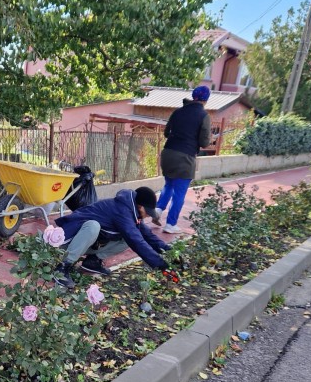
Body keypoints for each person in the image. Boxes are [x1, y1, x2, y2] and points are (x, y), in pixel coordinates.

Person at [52, 187, 172, 289]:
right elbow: (137, 242)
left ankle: (92, 262)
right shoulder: (122, 211)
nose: (148, 216)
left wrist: (169, 252)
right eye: (148, 212)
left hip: (86, 244)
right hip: (67, 242)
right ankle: (62, 267)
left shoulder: (132, 212)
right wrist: (161, 265)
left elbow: (147, 235)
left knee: (126, 240)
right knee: (93, 226)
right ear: (140, 206)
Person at [156, 85, 212, 234]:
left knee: (169, 184)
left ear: (194, 96)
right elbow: (204, 142)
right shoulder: (204, 116)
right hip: (185, 157)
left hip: (168, 154)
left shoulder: (178, 112)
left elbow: (167, 133)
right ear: (206, 99)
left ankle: (158, 210)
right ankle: (170, 224)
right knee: (179, 192)